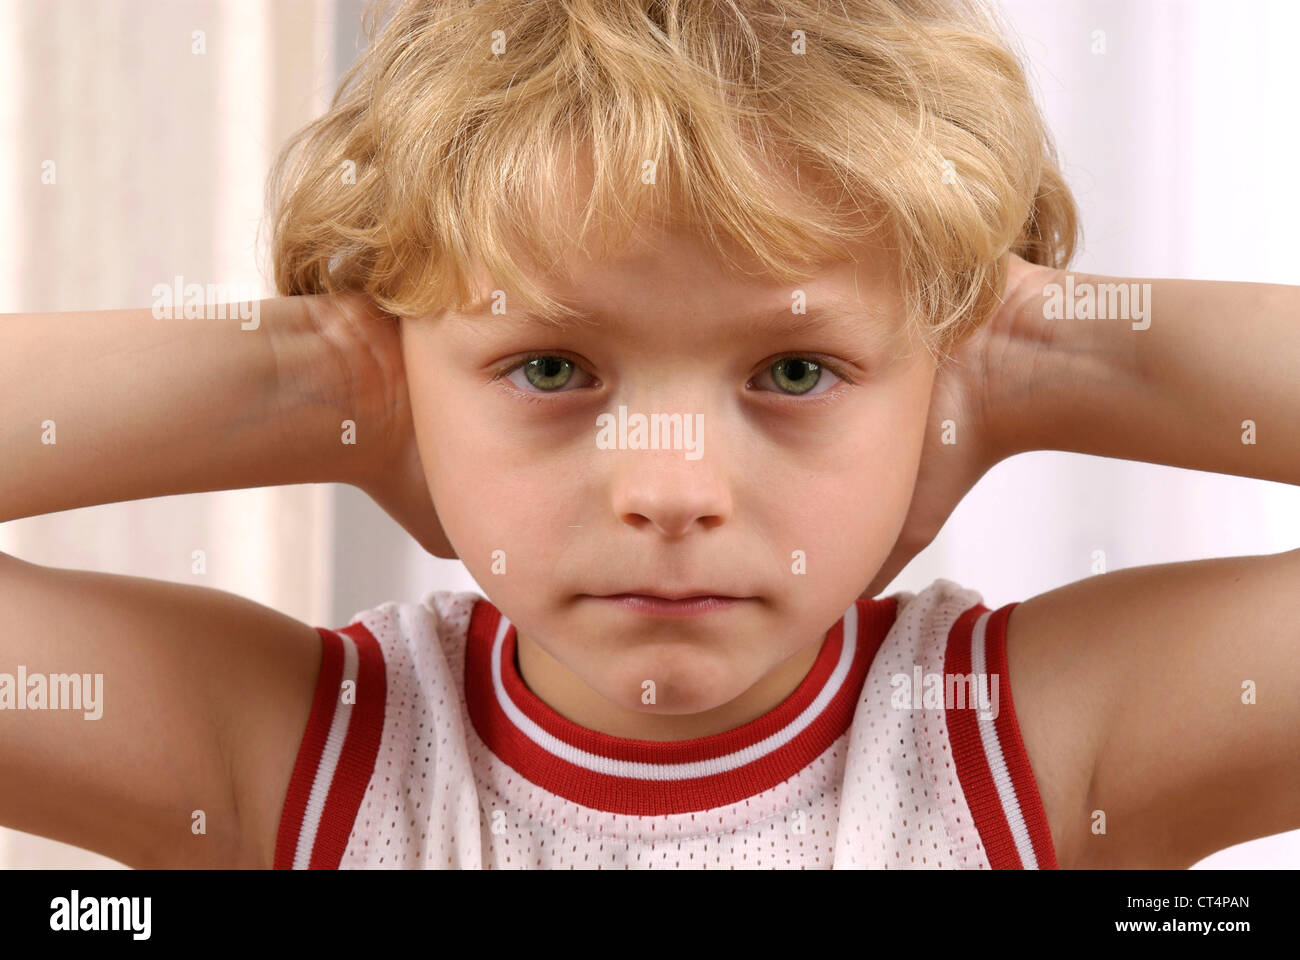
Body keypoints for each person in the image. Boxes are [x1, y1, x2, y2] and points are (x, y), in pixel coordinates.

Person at [1, 0, 1296, 869]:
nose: (671, 489)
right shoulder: (314, 754)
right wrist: (315, 372)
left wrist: (1043, 351)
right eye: (551, 363)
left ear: (942, 380)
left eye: (795, 367)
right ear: (404, 376)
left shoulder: (1026, 744)